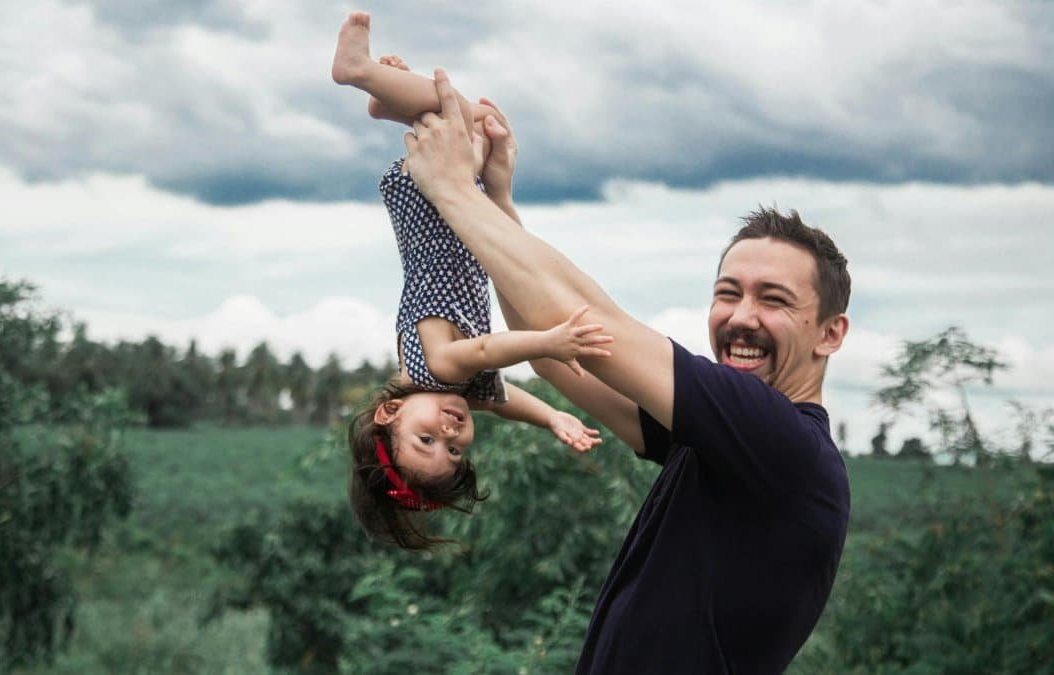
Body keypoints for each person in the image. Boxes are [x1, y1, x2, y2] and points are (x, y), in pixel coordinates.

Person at [402, 68, 852, 673]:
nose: (741, 317)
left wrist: (455, 193)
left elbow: (592, 327)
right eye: (728, 293)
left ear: (831, 332)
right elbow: (559, 355)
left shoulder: (783, 445)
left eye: (773, 300)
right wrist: (498, 201)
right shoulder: (722, 448)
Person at [333, 13, 614, 551]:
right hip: (458, 218)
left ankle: (357, 71)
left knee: (466, 114)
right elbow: (502, 401)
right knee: (474, 126)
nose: (450, 431)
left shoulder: (436, 364)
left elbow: (490, 348)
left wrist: (551, 342)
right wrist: (553, 416)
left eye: (425, 439)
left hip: (435, 208)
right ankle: (389, 102)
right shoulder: (453, 390)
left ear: (390, 412)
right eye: (455, 449)